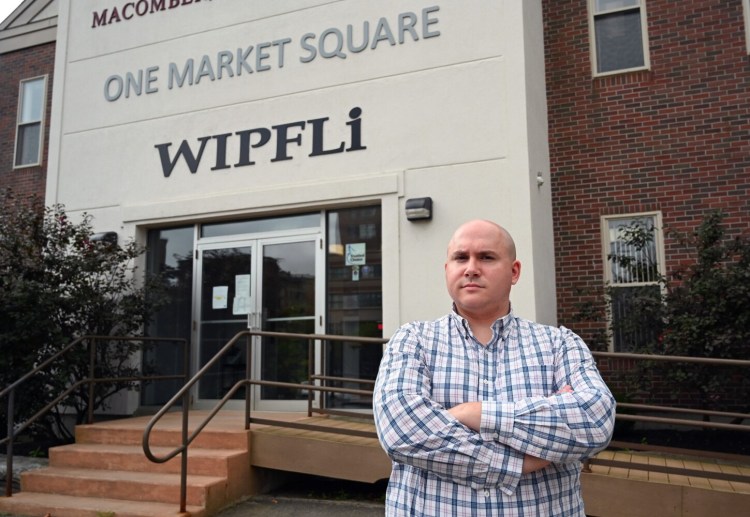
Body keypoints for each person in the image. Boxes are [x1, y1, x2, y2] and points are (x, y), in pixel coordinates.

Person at [373, 219, 615, 516]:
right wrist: (520, 462)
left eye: (486, 257)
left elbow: (595, 419)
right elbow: (402, 432)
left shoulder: (559, 344)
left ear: (514, 272)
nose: (471, 268)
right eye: (461, 258)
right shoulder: (413, 341)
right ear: (447, 269)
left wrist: (475, 414)